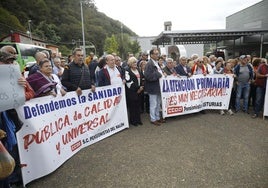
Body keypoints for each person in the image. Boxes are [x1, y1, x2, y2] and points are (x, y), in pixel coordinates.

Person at [0, 51, 34, 188]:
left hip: (9, 121)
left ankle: (11, 181)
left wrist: (23, 87)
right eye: (6, 62)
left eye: (11, 62)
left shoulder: (17, 76)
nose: (10, 65)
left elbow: (31, 93)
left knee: (11, 152)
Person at [144, 48, 164, 126]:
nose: (157, 55)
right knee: (153, 104)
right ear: (151, 55)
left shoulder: (156, 63)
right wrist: (159, 75)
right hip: (153, 87)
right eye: (155, 54)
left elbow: (159, 72)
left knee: (158, 103)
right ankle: (153, 119)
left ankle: (157, 117)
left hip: (158, 87)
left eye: (157, 53)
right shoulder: (149, 64)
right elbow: (148, 76)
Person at [125, 57, 144, 126]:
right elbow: (129, 82)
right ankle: (133, 121)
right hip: (132, 92)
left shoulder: (139, 69)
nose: (135, 63)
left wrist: (141, 87)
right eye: (133, 62)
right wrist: (138, 88)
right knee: (132, 107)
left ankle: (138, 120)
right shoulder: (127, 70)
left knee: (138, 106)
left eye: (135, 62)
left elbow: (142, 79)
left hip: (140, 90)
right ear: (130, 64)